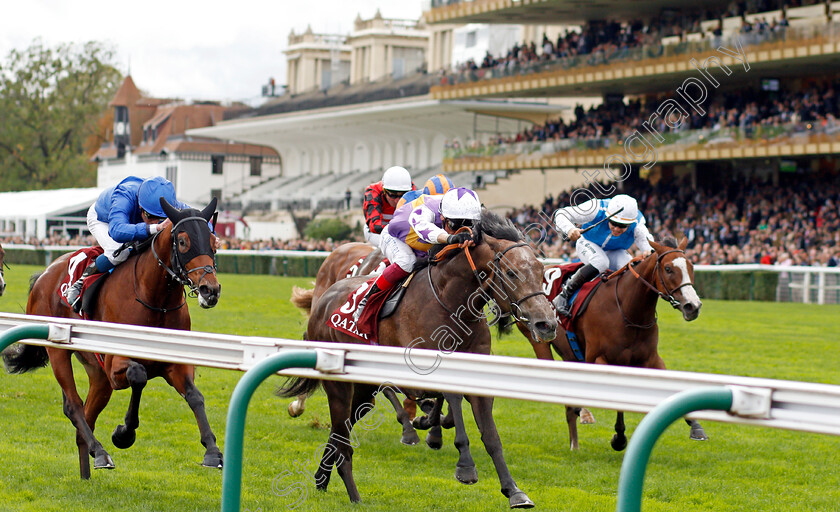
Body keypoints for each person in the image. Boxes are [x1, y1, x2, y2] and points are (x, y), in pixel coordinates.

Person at [352, 187, 481, 322]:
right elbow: (424, 229)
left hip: (423, 243)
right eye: (454, 225)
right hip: (394, 236)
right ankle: (367, 299)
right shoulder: (427, 209)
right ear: (442, 216)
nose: (460, 230)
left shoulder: (467, 210)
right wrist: (450, 238)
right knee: (406, 262)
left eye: (468, 224)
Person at [64, 176, 192, 310]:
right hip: (104, 219)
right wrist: (155, 228)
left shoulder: (168, 201)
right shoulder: (124, 196)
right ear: (141, 206)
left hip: (130, 221)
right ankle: (79, 283)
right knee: (118, 252)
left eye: (160, 218)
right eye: (150, 216)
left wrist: (212, 235)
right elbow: (117, 231)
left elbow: (197, 217)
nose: (155, 221)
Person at [551, 194, 653, 316]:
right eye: (613, 222)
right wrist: (570, 229)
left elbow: (647, 242)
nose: (615, 229)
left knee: (629, 268)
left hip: (615, 250)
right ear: (608, 216)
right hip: (588, 242)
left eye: (621, 226)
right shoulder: (596, 208)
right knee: (601, 262)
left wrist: (649, 251)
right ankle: (564, 294)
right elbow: (560, 214)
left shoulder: (637, 223)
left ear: (630, 223)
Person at [361, 166, 415, 246]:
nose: (398, 201)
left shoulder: (412, 191)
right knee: (400, 248)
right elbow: (375, 226)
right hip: (376, 233)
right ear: (384, 191)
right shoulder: (373, 192)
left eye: (402, 195)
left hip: (402, 231)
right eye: (393, 195)